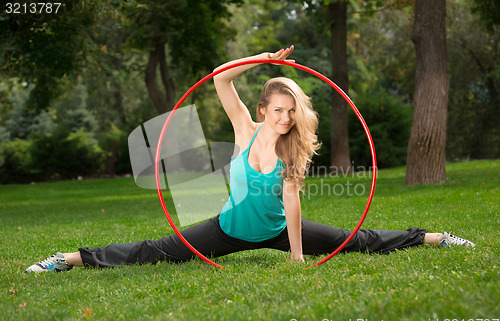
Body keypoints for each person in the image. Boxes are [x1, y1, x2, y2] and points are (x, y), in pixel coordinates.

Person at [25, 46, 475, 273]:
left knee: (355, 239)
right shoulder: (244, 128)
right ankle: (67, 260)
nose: (284, 117)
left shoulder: (293, 147)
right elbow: (221, 80)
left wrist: (297, 254)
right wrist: (261, 58)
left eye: (291, 110)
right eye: (277, 110)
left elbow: (293, 202)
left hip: (277, 232)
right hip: (227, 230)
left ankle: (435, 238)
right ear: (262, 110)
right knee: (155, 251)